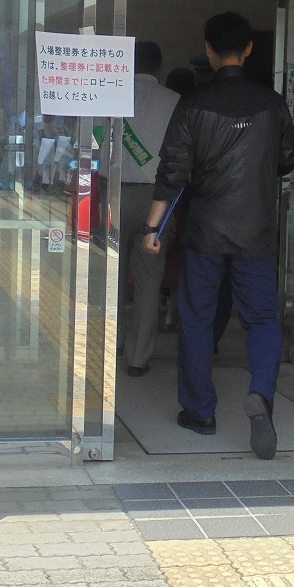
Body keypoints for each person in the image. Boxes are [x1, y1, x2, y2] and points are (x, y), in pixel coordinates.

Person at [144, 12, 294, 460]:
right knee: (262, 319)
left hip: (205, 232)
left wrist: (153, 227)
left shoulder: (193, 104)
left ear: (208, 49)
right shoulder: (272, 103)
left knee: (197, 318)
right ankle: (261, 395)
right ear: (248, 49)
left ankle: (200, 412)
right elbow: (288, 158)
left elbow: (172, 170)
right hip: (256, 231)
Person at [119, 40, 181, 377]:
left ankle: (111, 342)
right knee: (148, 280)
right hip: (157, 200)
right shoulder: (174, 101)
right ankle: (137, 358)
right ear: (159, 67)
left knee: (110, 276)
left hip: (113, 194)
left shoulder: (110, 94)